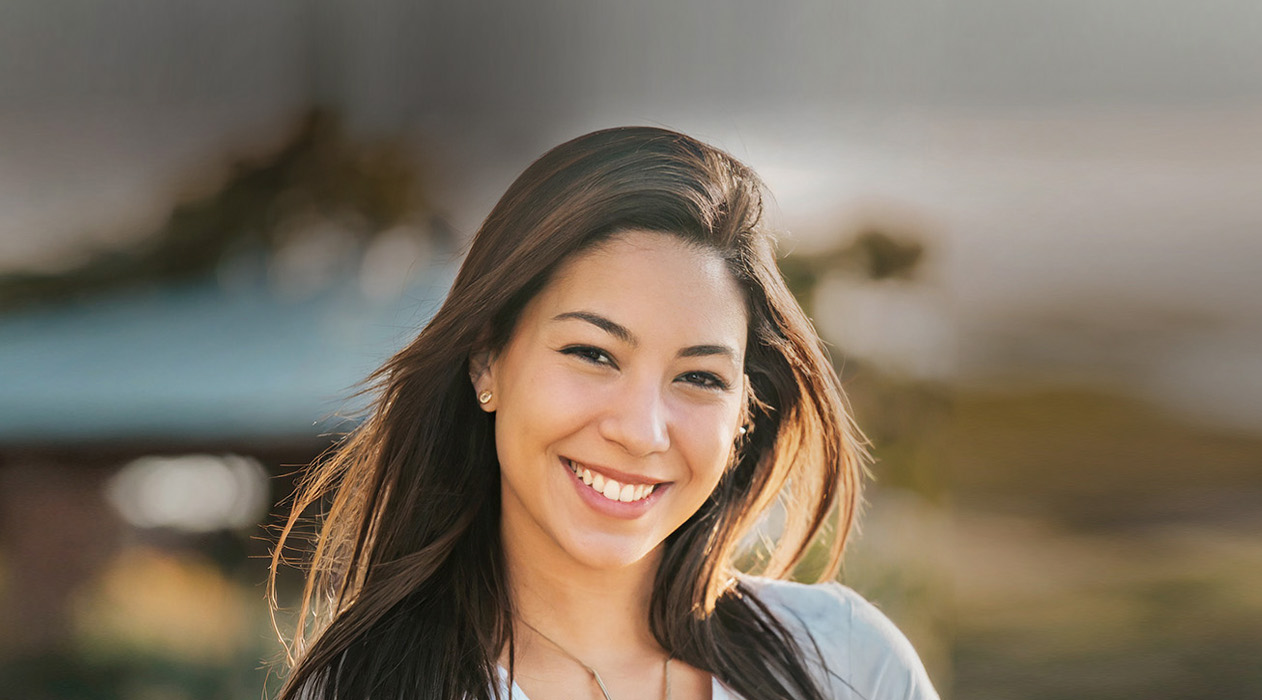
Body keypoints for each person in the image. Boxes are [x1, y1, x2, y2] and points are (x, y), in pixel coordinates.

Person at [268, 127, 939, 700]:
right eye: (593, 354)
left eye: (699, 377)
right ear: (486, 360)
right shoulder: (367, 688)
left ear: (743, 412)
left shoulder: (847, 665)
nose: (641, 431)